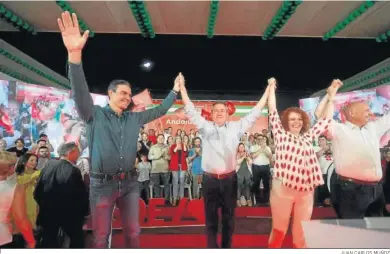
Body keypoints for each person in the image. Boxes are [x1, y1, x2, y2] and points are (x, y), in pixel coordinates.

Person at [57, 11, 180, 248]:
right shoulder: (93, 114)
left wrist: (174, 91)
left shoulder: (134, 119)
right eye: (122, 92)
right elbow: (80, 90)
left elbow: (161, 110)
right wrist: (74, 55)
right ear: (110, 94)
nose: (127, 96)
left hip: (131, 184)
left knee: (134, 233)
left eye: (129, 93)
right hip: (102, 185)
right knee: (101, 237)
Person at [181, 73, 271, 248]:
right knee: (211, 220)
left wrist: (268, 90)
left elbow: (256, 112)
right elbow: (190, 109)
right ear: (212, 114)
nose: (219, 113)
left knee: (229, 219)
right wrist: (183, 88)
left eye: (223, 110)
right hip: (210, 180)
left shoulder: (236, 127)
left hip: (230, 180)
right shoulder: (205, 127)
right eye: (216, 111)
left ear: (228, 113)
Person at [267, 78, 341, 248]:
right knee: (279, 231)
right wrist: (271, 88)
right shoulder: (280, 134)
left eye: (299, 119)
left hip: (306, 191)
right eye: (292, 119)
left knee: (301, 234)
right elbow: (272, 110)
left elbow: (325, 120)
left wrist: (331, 96)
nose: (296, 122)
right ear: (285, 122)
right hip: (283, 189)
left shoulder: (308, 137)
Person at [315, 91, 390, 219]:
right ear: (352, 113)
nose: (370, 113)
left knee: (377, 233)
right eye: (366, 110)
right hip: (350, 191)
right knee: (353, 231)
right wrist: (330, 94)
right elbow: (319, 116)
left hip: (376, 191)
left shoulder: (372, 128)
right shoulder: (339, 129)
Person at [34, 142, 89, 248]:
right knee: (76, 240)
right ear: (71, 152)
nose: (78, 155)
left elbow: (38, 190)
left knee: (48, 241)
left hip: (47, 212)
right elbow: (80, 195)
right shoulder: (73, 170)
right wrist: (85, 212)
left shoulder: (49, 165)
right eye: (78, 152)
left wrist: (43, 206)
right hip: (69, 214)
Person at [0, 151, 35, 248]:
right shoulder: (16, 188)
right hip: (5, 237)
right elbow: (20, 217)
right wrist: (31, 241)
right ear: (11, 168)